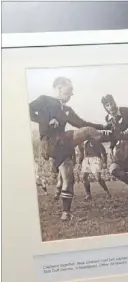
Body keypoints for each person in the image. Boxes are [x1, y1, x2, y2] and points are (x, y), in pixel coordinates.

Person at [29, 76, 109, 221]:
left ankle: (66, 213)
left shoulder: (66, 109)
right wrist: (46, 121)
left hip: (62, 145)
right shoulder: (44, 100)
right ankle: (119, 136)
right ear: (59, 88)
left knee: (68, 177)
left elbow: (82, 123)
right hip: (49, 142)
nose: (72, 94)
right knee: (87, 132)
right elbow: (25, 110)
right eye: (69, 90)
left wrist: (103, 126)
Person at [102, 94, 128, 200]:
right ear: (105, 108)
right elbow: (113, 135)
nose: (110, 107)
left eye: (111, 103)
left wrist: (119, 134)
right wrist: (111, 147)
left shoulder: (126, 111)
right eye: (107, 105)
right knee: (113, 169)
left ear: (114, 102)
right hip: (122, 150)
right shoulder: (108, 118)